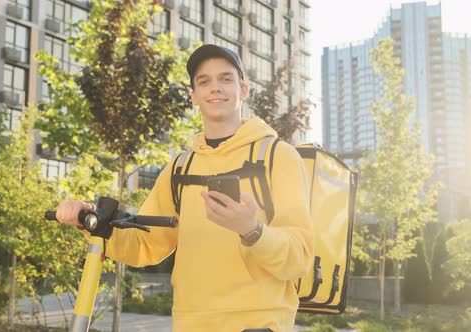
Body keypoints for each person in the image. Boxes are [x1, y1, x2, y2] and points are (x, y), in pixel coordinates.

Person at [56, 44, 314, 332]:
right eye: (204, 81)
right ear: (194, 97)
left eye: (226, 79)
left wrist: (252, 230)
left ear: (244, 90)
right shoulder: (180, 168)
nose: (215, 88)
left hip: (259, 323)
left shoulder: (279, 156)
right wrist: (89, 222)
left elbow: (299, 260)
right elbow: (145, 246)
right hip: (190, 323)